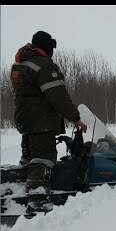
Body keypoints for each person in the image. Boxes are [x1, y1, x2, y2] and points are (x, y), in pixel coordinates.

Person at [10, 30, 88, 213]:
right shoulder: (42, 66)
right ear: (46, 47)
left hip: (25, 119)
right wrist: (75, 118)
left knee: (29, 157)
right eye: (51, 47)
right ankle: (37, 201)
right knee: (43, 158)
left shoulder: (20, 63)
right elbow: (58, 96)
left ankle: (19, 191)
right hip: (41, 121)